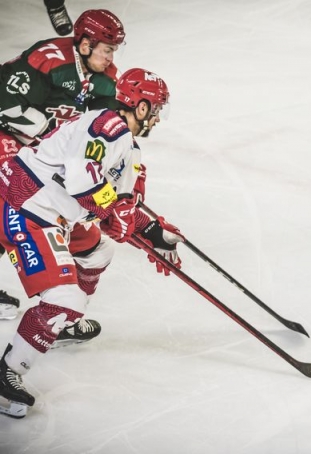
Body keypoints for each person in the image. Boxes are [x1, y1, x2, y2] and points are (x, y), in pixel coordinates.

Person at [0, 68, 184, 419]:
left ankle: (61, 325)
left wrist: (154, 232)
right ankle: (6, 371)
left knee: (100, 250)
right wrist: (113, 213)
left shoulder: (129, 148)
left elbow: (123, 206)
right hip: (25, 204)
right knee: (64, 298)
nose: (158, 118)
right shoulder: (104, 126)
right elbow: (83, 185)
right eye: (156, 109)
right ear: (141, 107)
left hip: (56, 212)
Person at [0, 9, 126, 329]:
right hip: (8, 136)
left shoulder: (105, 80)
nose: (112, 57)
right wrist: (39, 130)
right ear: (85, 44)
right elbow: (5, 102)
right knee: (11, 202)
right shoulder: (50, 59)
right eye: (107, 48)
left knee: (72, 221)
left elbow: (98, 133)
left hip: (42, 152)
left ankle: (63, 318)